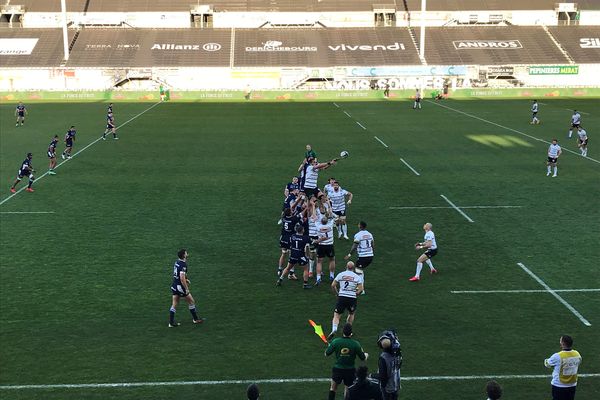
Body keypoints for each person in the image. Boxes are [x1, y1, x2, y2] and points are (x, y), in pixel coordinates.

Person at [325, 323, 368, 400]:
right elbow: (363, 358)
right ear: (351, 333)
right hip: (350, 370)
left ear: (343, 332)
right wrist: (366, 354)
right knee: (348, 390)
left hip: (338, 369)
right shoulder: (356, 344)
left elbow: (326, 354)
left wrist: (329, 347)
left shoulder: (335, 341)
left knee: (333, 388)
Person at [169, 249, 206, 327]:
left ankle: (171, 323)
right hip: (180, 287)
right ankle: (195, 319)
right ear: (184, 255)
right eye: (186, 253)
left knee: (175, 303)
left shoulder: (177, 262)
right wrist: (186, 288)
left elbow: (178, 275)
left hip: (174, 285)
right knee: (191, 301)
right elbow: (182, 278)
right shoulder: (183, 265)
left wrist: (186, 279)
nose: (187, 254)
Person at [327, 262, 363, 340]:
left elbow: (333, 285)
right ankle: (347, 330)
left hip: (342, 297)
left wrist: (337, 293)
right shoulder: (357, 277)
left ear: (346, 267)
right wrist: (356, 294)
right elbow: (361, 289)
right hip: (352, 298)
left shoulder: (341, 274)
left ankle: (334, 329)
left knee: (337, 315)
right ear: (353, 268)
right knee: (351, 313)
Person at [544, 335, 582, 400]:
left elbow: (547, 364)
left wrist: (546, 360)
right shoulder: (577, 354)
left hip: (559, 385)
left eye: (560, 341)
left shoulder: (557, 356)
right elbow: (579, 362)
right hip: (572, 385)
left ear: (563, 343)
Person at [276, 224, 312, 289]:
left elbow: (290, 245)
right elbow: (307, 247)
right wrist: (308, 255)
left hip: (293, 255)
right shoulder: (305, 238)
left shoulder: (292, 236)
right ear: (302, 230)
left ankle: (280, 279)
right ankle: (305, 284)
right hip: (301, 256)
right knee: (306, 269)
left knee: (288, 268)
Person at [345, 221, 374, 295]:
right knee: (359, 270)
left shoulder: (358, 235)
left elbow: (354, 246)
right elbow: (372, 244)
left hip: (363, 256)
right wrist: (371, 252)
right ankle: (359, 287)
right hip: (370, 256)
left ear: (360, 226)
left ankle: (361, 290)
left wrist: (349, 254)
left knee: (359, 271)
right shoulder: (369, 234)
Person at [377, 330, 402, 400]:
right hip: (396, 385)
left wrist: (371, 376)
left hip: (388, 389)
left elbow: (383, 377)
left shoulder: (383, 358)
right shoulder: (398, 353)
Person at [316, 214, 336, 285]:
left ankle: (318, 278)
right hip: (329, 245)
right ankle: (331, 275)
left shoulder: (318, 226)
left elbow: (315, 218)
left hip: (321, 246)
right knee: (332, 259)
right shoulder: (330, 225)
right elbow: (333, 216)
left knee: (319, 262)